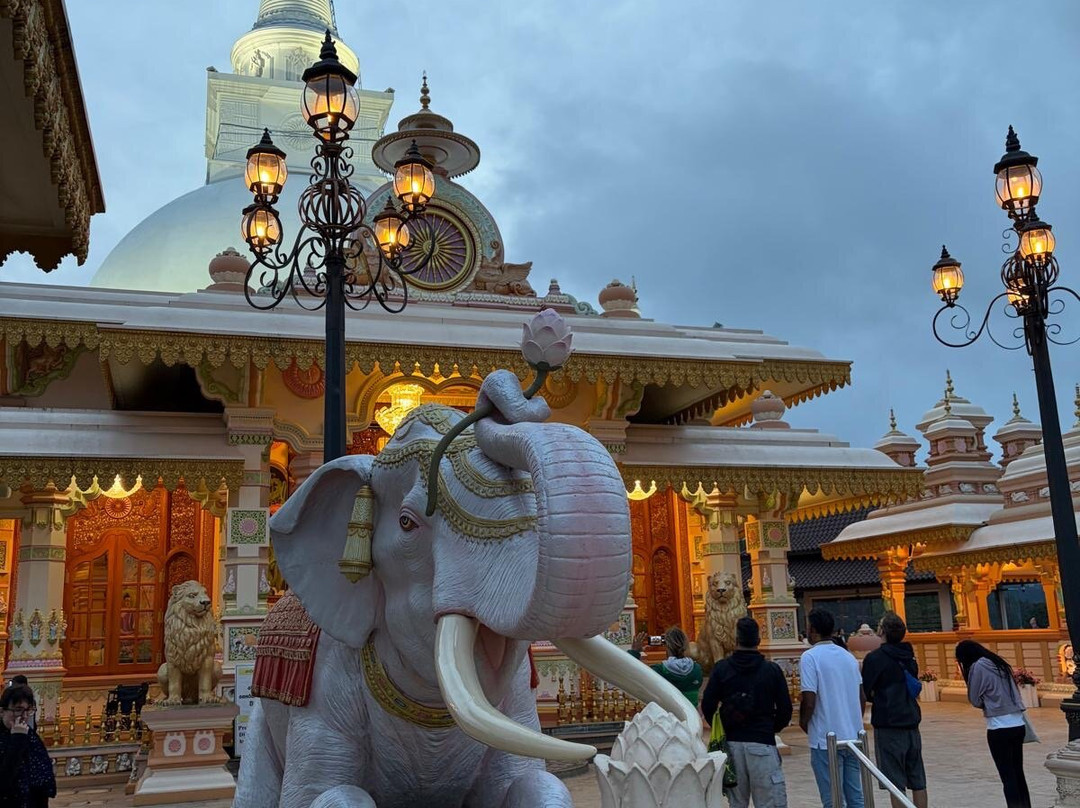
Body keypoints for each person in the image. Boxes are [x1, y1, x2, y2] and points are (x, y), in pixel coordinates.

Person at [701, 617, 792, 808]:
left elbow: (708, 705)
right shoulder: (771, 670)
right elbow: (785, 710)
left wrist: (722, 727)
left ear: (736, 640)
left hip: (732, 745)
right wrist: (770, 728)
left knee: (737, 803)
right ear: (758, 640)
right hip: (762, 742)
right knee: (770, 803)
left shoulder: (721, 669)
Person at [800, 608, 865, 808]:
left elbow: (809, 699)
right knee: (856, 797)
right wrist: (853, 720)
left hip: (825, 738)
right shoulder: (848, 657)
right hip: (852, 736)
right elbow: (861, 697)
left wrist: (805, 723)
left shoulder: (810, 657)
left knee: (833, 799)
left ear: (812, 630)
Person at [861, 613, 927, 808]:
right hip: (911, 720)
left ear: (882, 632)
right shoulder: (909, 656)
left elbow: (867, 689)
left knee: (894, 781)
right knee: (917, 778)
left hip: (888, 722)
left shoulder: (875, 658)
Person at [956, 640, 1031, 808]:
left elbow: (974, 698)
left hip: (998, 726)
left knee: (1007, 777)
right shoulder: (999, 663)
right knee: (1018, 773)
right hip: (1018, 724)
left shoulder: (978, 667)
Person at [0, 683, 56, 807]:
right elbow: (4, 779)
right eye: (18, 710)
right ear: (2, 711)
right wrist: (17, 740)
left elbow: (43, 777)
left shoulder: (31, 737)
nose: (24, 716)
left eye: (28, 710)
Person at [630, 626, 703, 705]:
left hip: (668, 715)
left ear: (666, 646)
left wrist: (634, 652)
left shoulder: (659, 671)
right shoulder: (697, 670)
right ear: (686, 645)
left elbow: (633, 676)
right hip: (691, 715)